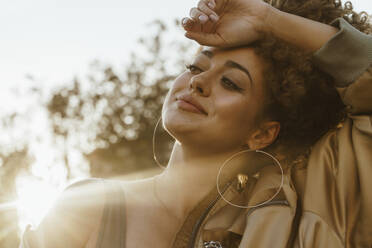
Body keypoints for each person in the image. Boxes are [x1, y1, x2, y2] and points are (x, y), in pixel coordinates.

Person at [20, 0, 372, 247]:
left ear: (262, 132)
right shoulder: (84, 208)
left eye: (231, 83)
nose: (198, 83)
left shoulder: (300, 216)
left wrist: (269, 20)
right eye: (196, 67)